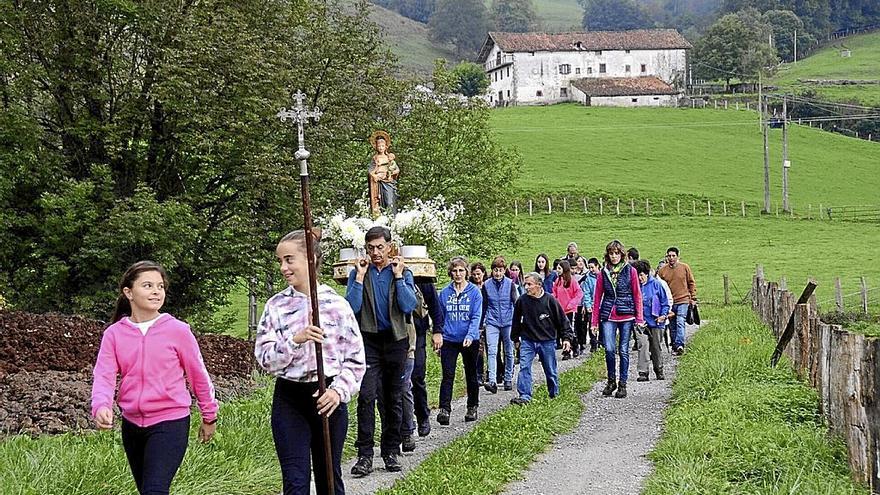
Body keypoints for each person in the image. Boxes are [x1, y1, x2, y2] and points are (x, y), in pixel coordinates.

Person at [91, 261, 218, 495]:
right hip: (132, 425)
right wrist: (100, 405)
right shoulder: (114, 334)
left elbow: (198, 375)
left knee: (155, 490)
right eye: (147, 285)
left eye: (160, 286)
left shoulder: (178, 331)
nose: (156, 291)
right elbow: (104, 375)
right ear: (128, 292)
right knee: (146, 490)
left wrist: (209, 415)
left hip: (171, 421)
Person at [255, 230, 366, 495]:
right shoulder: (276, 306)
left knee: (329, 478)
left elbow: (356, 360)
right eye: (280, 261)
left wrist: (338, 392)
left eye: (289, 259)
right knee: (294, 481)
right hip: (290, 398)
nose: (283, 267)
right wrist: (295, 340)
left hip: (327, 398)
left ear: (311, 259)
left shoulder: (337, 305)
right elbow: (264, 359)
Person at [346, 226, 418, 477]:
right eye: (370, 248)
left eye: (380, 247)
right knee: (366, 397)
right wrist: (358, 277)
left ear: (390, 246)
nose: (376, 252)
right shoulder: (360, 273)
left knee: (393, 398)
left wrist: (398, 277)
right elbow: (351, 308)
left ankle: (390, 450)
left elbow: (409, 305)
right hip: (369, 341)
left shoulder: (402, 271)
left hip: (395, 341)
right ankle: (364, 455)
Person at [591, 240, 644, 399]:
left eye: (617, 253)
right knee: (609, 348)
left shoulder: (631, 271)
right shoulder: (602, 273)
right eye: (611, 253)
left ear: (622, 255)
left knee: (623, 350)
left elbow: (637, 294)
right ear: (607, 255)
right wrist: (593, 322)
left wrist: (639, 318)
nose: (614, 256)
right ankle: (611, 380)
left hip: (626, 314)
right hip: (608, 314)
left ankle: (622, 383)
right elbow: (596, 298)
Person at [510, 272, 573, 406]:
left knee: (550, 369)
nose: (526, 287)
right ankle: (525, 396)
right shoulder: (522, 301)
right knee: (524, 367)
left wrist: (566, 338)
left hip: (547, 341)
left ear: (539, 285)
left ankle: (553, 393)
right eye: (525, 284)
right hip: (528, 340)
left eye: (529, 284)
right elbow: (516, 321)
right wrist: (515, 338)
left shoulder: (550, 300)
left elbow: (562, 321)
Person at [437, 257, 483, 424]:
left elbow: (476, 316)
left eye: (461, 271)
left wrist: (470, 336)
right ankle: (444, 409)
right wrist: (438, 336)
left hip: (469, 339)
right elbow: (440, 317)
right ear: (451, 273)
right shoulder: (444, 293)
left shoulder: (474, 292)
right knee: (447, 374)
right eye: (455, 271)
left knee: (471, 373)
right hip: (449, 339)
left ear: (467, 272)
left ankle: (472, 406)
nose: (458, 274)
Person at [410, 279, 443, 438]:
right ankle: (406, 423)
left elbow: (434, 305)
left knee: (417, 375)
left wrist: (437, 330)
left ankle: (422, 415)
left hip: (418, 332)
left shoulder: (420, 276)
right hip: (394, 334)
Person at [484, 256, 519, 393]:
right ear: (492, 271)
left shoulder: (510, 284)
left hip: (508, 321)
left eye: (500, 270)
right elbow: (484, 305)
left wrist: (518, 322)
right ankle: (492, 380)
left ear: (504, 271)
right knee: (492, 350)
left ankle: (508, 378)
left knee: (508, 351)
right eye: (495, 270)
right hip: (492, 321)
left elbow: (516, 303)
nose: (497, 273)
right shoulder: (487, 285)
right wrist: (482, 323)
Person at [633, 260, 670, 382]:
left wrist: (663, 315)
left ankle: (658, 369)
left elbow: (665, 303)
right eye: (637, 275)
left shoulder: (656, 285)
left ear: (647, 273)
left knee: (656, 347)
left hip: (656, 322)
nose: (639, 278)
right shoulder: (633, 286)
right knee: (642, 345)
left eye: (642, 275)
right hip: (641, 322)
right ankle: (643, 372)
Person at [657, 246, 697, 355]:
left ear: (678, 257)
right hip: (669, 302)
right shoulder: (662, 271)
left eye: (673, 256)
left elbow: (691, 282)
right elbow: (658, 287)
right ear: (666, 257)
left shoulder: (685, 267)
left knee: (680, 321)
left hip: (683, 299)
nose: (671, 258)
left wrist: (693, 297)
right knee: (672, 324)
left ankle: (680, 344)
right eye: (669, 256)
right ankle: (675, 345)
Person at [552, 260, 583, 360]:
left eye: (559, 268)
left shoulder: (572, 281)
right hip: (560, 310)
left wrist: (572, 304)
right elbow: (555, 294)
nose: (557, 270)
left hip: (570, 310)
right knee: (562, 331)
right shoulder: (558, 281)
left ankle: (574, 346)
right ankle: (566, 350)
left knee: (570, 329)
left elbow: (579, 293)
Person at [368, 130, 399, 216]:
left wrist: (389, 173)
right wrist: (375, 175)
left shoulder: (389, 158)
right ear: (376, 147)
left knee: (389, 202)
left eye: (382, 146)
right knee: (379, 203)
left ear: (386, 146)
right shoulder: (375, 158)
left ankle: (391, 217)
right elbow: (371, 171)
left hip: (388, 182)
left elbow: (397, 170)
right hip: (378, 183)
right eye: (379, 146)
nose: (381, 148)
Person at [469, 262, 489, 386]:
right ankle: (478, 375)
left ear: (483, 274)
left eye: (479, 274)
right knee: (479, 350)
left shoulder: (487, 286)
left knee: (492, 349)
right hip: (477, 322)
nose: (477, 277)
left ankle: (495, 373)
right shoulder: (470, 287)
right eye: (474, 274)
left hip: (488, 319)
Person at [578, 257, 599, 353]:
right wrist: (587, 305)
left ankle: (602, 342)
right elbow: (586, 293)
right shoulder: (588, 279)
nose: (591, 270)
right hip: (592, 305)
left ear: (597, 266)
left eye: (592, 267)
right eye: (589, 267)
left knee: (602, 325)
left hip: (602, 305)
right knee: (592, 325)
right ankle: (593, 344)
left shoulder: (603, 276)